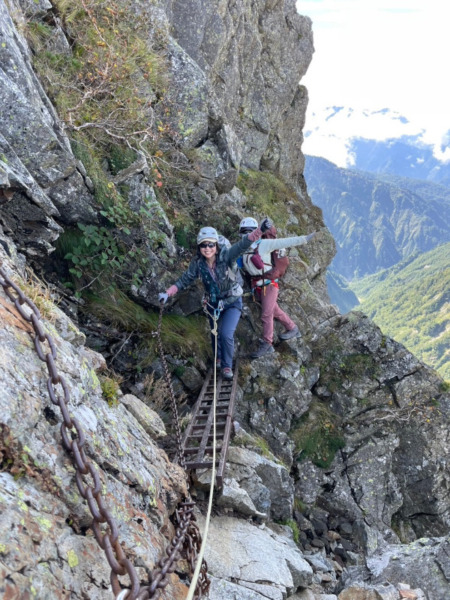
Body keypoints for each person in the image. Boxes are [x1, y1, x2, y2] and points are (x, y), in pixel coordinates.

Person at [159, 221, 270, 379]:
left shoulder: (227, 256)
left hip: (232, 302)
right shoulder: (198, 264)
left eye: (211, 245)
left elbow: (243, 244)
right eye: (203, 245)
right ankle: (218, 357)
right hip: (213, 303)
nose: (207, 248)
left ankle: (226, 366)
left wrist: (260, 230)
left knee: (226, 334)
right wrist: (167, 293)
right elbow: (184, 280)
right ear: (199, 247)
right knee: (215, 334)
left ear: (216, 245)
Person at [238, 217, 316, 358]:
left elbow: (285, 242)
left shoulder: (264, 244)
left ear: (257, 232)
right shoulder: (241, 249)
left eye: (249, 232)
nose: (246, 235)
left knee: (266, 314)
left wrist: (304, 239)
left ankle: (267, 343)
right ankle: (293, 328)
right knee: (274, 310)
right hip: (258, 287)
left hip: (269, 285)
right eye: (244, 232)